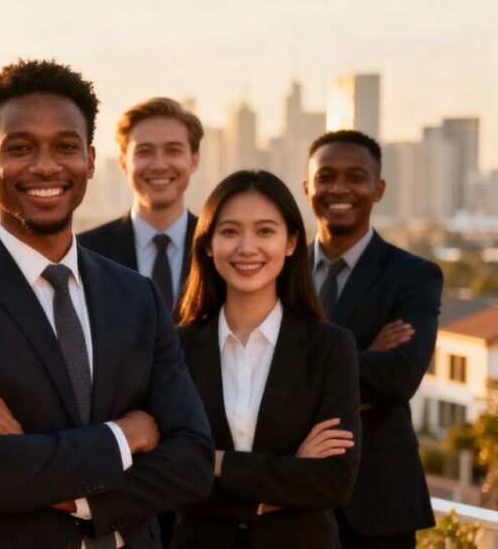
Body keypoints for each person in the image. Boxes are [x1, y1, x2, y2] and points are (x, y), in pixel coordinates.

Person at [0, 59, 214, 549]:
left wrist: (46, 469)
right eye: (20, 148)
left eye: (65, 146)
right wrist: (123, 437)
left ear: (89, 158)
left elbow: (190, 463)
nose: (45, 166)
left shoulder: (137, 296)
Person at [173, 169, 361, 548]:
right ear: (208, 243)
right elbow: (169, 476)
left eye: (264, 231)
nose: (247, 247)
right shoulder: (176, 349)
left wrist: (218, 462)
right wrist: (288, 477)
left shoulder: (330, 348)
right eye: (229, 231)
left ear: (291, 242)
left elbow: (333, 481)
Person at [303, 130, 441, 548]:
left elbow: (399, 376)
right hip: (290, 494)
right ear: (307, 186)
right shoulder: (276, 270)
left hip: (379, 502)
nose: (339, 188)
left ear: (378, 189)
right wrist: (363, 358)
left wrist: (298, 375)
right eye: (326, 176)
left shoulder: (414, 275)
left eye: (356, 176)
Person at [79, 97, 202, 320]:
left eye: (173, 151)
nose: (159, 165)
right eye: (144, 152)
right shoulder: (83, 253)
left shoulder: (218, 247)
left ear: (194, 160)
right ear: (123, 163)